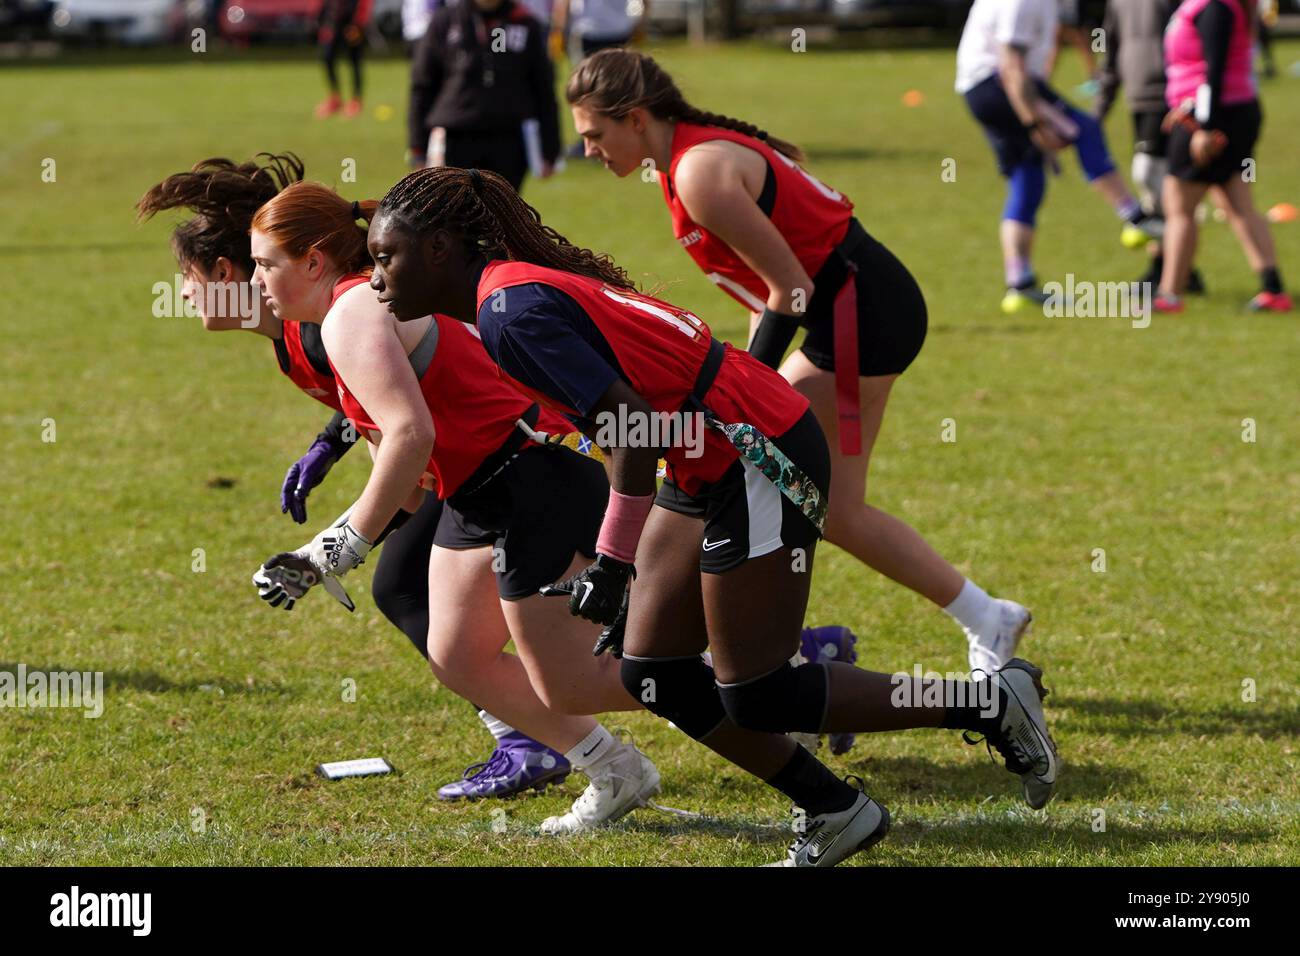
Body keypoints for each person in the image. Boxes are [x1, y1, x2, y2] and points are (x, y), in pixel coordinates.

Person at [365, 165, 1060, 866]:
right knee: (654, 671)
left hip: (751, 450)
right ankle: (835, 807)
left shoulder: (508, 311)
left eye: (384, 257)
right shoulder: (503, 297)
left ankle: (989, 704)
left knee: (759, 691)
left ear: (440, 250)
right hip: (714, 452)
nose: (375, 279)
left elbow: (631, 427)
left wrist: (610, 562)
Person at [566, 49, 1032, 676]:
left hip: (863, 316)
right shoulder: (684, 162)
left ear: (638, 118)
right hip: (853, 309)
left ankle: (777, 657)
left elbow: (791, 290)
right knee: (815, 500)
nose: (590, 150)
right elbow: (773, 291)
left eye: (596, 134)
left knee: (761, 479)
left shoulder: (698, 171)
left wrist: (737, 390)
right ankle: (977, 619)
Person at [135, 154, 578, 803]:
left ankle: (563, 732)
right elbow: (381, 401)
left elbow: (400, 415)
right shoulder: (298, 334)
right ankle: (546, 731)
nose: (181, 291)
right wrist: (334, 446)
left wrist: (336, 541)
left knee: (564, 625)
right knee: (431, 597)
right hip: (480, 457)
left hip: (524, 446)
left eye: (187, 276)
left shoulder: (316, 327)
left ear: (225, 272)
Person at [246, 180, 679, 833]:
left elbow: (409, 436)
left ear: (312, 261)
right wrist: (323, 550)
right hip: (477, 492)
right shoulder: (342, 317)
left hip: (527, 480)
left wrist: (341, 546)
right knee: (458, 657)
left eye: (264, 264)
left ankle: (762, 686)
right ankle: (617, 768)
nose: (256, 281)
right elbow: (411, 469)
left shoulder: (349, 313)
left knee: (582, 676)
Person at [955, 0, 1163, 312]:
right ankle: (1134, 218)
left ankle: (1020, 283)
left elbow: (1041, 51)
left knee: (1027, 177)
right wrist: (1034, 122)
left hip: (984, 87)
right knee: (1084, 129)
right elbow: (1011, 64)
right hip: (996, 84)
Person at [1154, 0, 1291, 313]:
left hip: (1214, 118)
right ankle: (1273, 288)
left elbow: (1212, 71)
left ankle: (1169, 295)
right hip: (1227, 113)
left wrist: (1203, 126)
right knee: (1236, 201)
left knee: (1179, 205)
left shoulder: (1214, 6)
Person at [1095, 0, 1206, 292]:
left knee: (1155, 178)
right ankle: (1172, 268)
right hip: (1138, 99)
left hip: (1171, 98)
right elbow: (1111, 48)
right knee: (1157, 186)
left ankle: (1172, 268)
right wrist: (1100, 109)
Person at [407, 0, 560, 189]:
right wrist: (418, 148)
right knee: (455, 213)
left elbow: (543, 89)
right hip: (455, 135)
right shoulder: (446, 21)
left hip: (508, 138)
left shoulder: (524, 23)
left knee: (501, 213)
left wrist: (550, 149)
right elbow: (423, 86)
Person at [315, 0, 372, 119]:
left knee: (354, 60)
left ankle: (356, 100)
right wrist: (323, 21)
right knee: (327, 57)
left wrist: (358, 22)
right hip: (334, 22)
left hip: (353, 22)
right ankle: (335, 99)